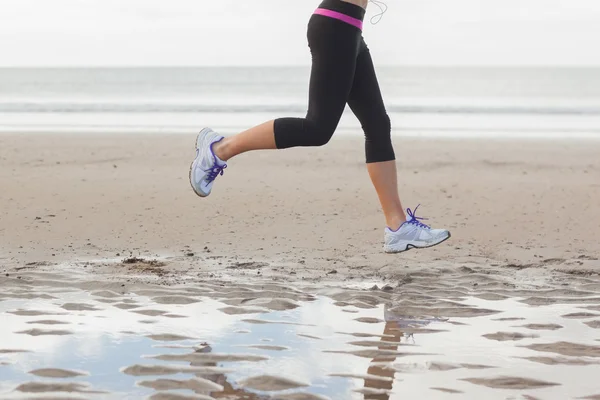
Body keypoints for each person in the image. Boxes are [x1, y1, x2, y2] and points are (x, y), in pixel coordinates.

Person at [189, 0, 450, 254]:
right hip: (336, 27)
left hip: (350, 30)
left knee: (378, 124)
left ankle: (398, 226)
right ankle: (219, 149)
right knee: (317, 128)